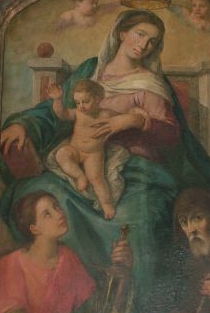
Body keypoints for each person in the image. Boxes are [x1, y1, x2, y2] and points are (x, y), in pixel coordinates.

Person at [0, 9, 210, 313]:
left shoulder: (150, 83)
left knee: (135, 223)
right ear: (122, 33)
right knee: (43, 196)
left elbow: (172, 136)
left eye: (152, 41)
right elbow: (57, 113)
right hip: (81, 163)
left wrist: (135, 121)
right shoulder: (91, 71)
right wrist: (23, 125)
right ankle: (75, 312)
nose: (144, 44)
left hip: (138, 171)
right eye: (139, 34)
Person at [0, 191, 132, 313]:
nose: (59, 214)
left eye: (56, 206)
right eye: (47, 214)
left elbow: (98, 312)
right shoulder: (11, 264)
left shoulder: (67, 257)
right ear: (34, 228)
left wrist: (123, 270)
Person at [46, 79, 148, 219]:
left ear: (98, 99)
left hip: (93, 154)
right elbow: (62, 114)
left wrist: (135, 115)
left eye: (85, 102)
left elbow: (128, 118)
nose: (81, 106)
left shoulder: (106, 114)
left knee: (97, 179)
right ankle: (79, 176)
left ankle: (106, 204)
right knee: (61, 154)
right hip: (75, 149)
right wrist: (57, 99)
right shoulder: (78, 113)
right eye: (77, 103)